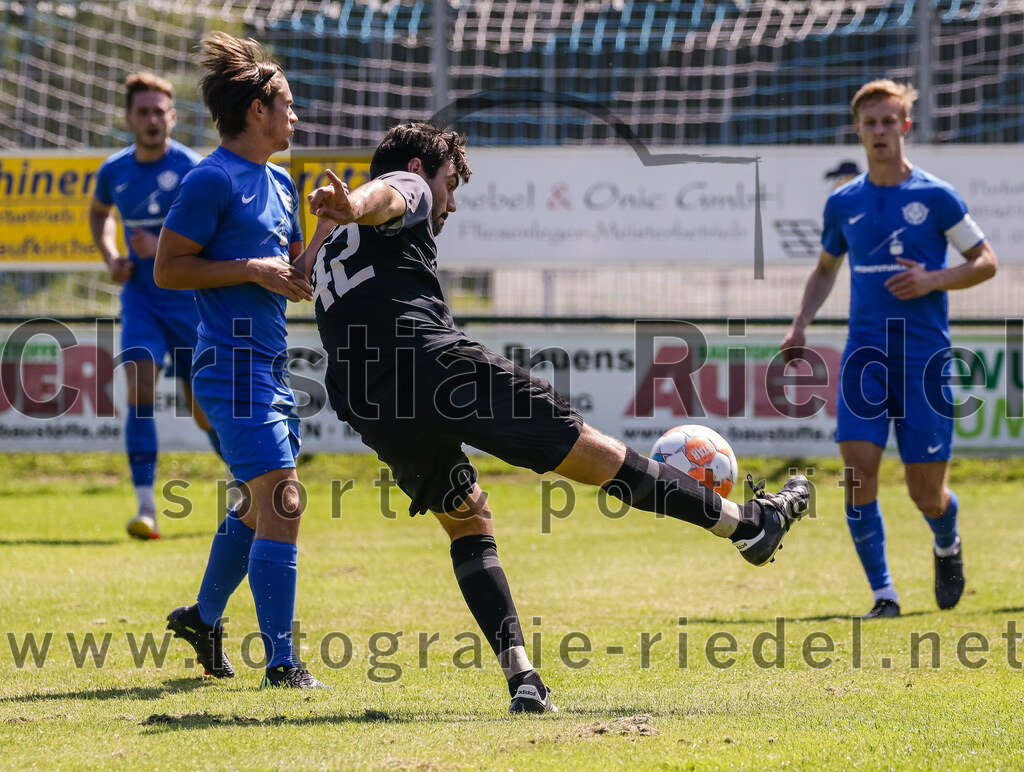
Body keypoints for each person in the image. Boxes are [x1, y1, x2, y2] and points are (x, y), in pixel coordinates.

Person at [306, 123, 810, 714]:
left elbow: (303, 272)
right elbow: (389, 194)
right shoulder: (403, 185)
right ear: (422, 169)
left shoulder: (336, 243)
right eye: (448, 185)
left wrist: (328, 223)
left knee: (468, 519)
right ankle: (748, 524)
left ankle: (522, 679)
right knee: (590, 452)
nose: (451, 201)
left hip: (367, 399)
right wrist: (355, 200)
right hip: (428, 361)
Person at [781, 80, 998, 619]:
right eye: (869, 123)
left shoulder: (936, 196)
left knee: (926, 494)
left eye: (888, 121)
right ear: (857, 130)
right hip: (864, 358)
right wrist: (800, 324)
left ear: (905, 126)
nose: (879, 131)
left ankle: (946, 541)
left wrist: (933, 279)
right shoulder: (844, 203)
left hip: (924, 361)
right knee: (857, 471)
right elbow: (826, 269)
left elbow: (986, 260)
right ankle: (884, 595)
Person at [154, 32, 325, 689]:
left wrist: (330, 228)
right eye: (287, 104)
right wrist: (251, 267)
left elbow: (298, 277)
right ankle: (282, 663)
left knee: (259, 508)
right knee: (283, 498)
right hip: (228, 368)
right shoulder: (210, 178)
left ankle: (201, 616)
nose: (295, 116)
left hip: (272, 367)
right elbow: (169, 270)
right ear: (258, 108)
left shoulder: (281, 182)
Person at [89, 72, 223, 541]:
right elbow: (99, 213)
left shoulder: (194, 168)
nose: (151, 119)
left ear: (172, 116)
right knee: (139, 384)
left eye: (158, 111)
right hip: (141, 300)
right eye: (142, 111)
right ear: (129, 118)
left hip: (190, 305)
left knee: (204, 409)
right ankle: (146, 509)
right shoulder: (113, 170)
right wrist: (112, 256)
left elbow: (215, 231)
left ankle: (254, 487)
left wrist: (163, 244)